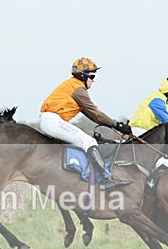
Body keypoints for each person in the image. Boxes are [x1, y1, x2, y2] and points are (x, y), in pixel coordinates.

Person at [40, 57, 132, 189]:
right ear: (83, 75)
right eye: (92, 76)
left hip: (50, 120)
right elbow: (95, 113)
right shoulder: (78, 89)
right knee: (89, 142)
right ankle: (107, 179)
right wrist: (117, 125)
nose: (94, 80)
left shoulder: (73, 86)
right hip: (52, 121)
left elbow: (92, 115)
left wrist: (113, 126)